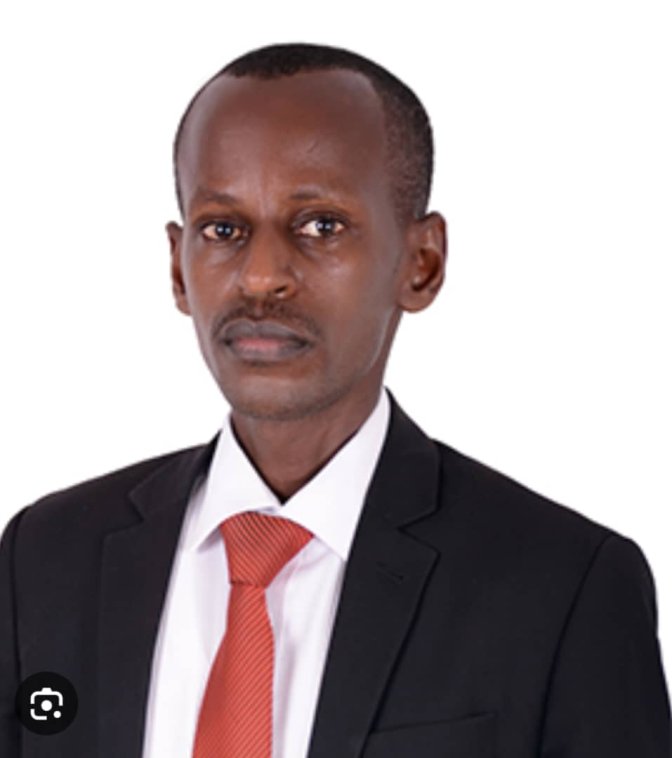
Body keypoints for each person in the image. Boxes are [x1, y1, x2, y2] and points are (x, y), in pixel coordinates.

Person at [1, 42, 670, 758]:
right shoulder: (45, 558)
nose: (261, 277)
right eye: (223, 230)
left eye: (321, 225)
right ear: (177, 267)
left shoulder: (563, 588)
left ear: (421, 263)